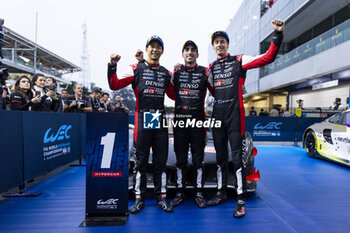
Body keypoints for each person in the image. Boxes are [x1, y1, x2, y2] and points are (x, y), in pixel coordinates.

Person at [207, 19, 284, 218]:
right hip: (217, 116)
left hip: (235, 115)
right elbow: (206, 88)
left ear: (227, 44)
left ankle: (240, 199)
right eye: (216, 42)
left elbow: (268, 57)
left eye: (223, 41)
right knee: (220, 158)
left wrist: (277, 34)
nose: (220, 44)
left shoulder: (239, 60)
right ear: (213, 46)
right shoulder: (210, 67)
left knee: (238, 159)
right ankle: (221, 193)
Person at [107, 35, 175, 213]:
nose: (155, 49)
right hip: (143, 117)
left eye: (158, 47)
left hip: (159, 119)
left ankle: (161, 198)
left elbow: (174, 95)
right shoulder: (136, 68)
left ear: (162, 51)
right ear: (147, 50)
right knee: (141, 161)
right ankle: (139, 199)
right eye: (151, 46)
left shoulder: (166, 73)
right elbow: (114, 85)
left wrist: (178, 76)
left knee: (161, 161)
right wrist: (112, 65)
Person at [161, 40, 212, 208]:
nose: (189, 52)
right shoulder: (176, 72)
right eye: (186, 50)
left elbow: (217, 90)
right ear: (183, 54)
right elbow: (170, 95)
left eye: (193, 50)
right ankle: (179, 192)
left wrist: (238, 88)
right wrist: (172, 74)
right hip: (180, 124)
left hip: (198, 123)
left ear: (197, 54)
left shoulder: (205, 72)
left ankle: (199, 193)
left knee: (199, 159)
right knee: (181, 160)